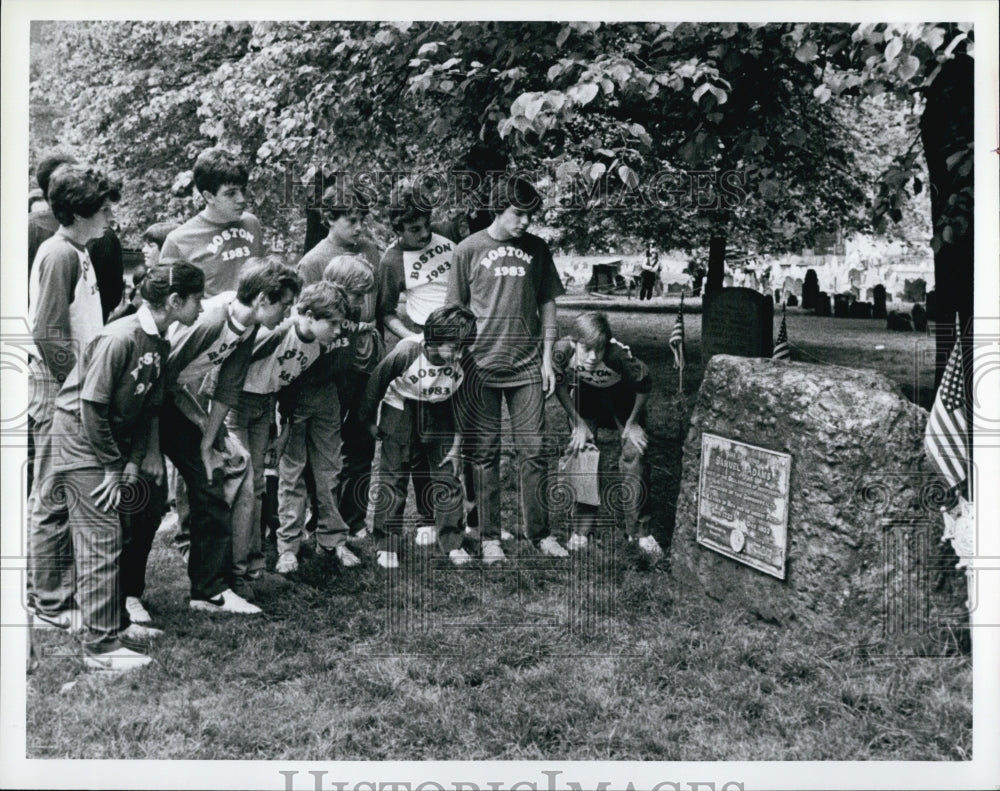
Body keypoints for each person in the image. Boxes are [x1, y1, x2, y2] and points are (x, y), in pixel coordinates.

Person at [50, 263, 205, 662]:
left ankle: (114, 623)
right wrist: (111, 467)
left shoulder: (160, 341)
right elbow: (90, 406)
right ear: (174, 302)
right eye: (197, 299)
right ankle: (101, 649)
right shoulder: (119, 338)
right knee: (101, 537)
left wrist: (134, 461)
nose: (202, 308)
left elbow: (147, 407)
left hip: (113, 447)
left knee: (117, 530)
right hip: (84, 441)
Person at [142, 258, 299, 614]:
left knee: (217, 475)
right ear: (262, 299)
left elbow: (228, 387)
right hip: (150, 403)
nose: (287, 314)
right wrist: (151, 447)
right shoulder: (212, 319)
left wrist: (208, 442)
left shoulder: (247, 326)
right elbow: (158, 377)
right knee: (146, 499)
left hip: (175, 398)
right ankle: (128, 594)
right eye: (284, 305)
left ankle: (212, 589)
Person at [447, 176, 569, 563]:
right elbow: (455, 311)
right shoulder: (467, 250)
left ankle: (541, 533)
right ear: (498, 209)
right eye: (518, 214)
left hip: (528, 364)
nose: (525, 223)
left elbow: (548, 301)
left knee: (533, 451)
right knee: (484, 454)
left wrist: (548, 355)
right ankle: (488, 537)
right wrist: (456, 362)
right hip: (480, 366)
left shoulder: (536, 248)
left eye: (530, 215)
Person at [27, 164, 121, 628]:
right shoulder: (59, 254)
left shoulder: (81, 249)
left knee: (61, 492)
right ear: (80, 212)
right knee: (52, 495)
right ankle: (49, 602)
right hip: (57, 386)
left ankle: (60, 595)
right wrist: (75, 389)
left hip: (76, 383)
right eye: (103, 208)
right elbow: (46, 332)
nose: (110, 216)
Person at [228, 280, 350, 580]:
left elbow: (286, 388)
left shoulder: (315, 348)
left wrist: (282, 430)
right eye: (332, 324)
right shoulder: (276, 332)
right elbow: (230, 364)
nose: (338, 331)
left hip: (270, 405)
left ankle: (255, 563)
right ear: (307, 315)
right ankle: (255, 557)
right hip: (238, 403)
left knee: (258, 484)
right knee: (246, 480)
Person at [358, 305, 478, 568]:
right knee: (394, 474)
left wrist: (457, 446)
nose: (458, 354)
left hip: (441, 407)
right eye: (453, 347)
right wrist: (368, 422)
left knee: (447, 475)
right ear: (434, 338)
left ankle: (452, 541)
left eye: (463, 348)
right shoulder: (407, 351)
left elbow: (463, 404)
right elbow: (375, 386)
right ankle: (387, 543)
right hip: (402, 405)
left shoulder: (464, 360)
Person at [296, 185, 382, 541]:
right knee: (326, 447)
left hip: (365, 360)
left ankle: (355, 518)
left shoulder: (372, 251)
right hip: (329, 365)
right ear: (329, 218)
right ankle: (322, 518)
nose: (359, 227)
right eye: (351, 219)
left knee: (362, 440)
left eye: (363, 219)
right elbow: (307, 317)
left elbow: (381, 304)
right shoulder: (314, 260)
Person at [275, 255, 369, 570]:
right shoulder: (305, 317)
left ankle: (333, 540)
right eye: (356, 293)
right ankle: (288, 545)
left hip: (328, 397)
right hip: (294, 397)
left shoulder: (351, 317)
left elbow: (346, 364)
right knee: (292, 473)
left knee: (330, 470)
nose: (359, 302)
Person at [377, 192, 460, 542]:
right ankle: (421, 519)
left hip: (456, 346)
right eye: (414, 229)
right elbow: (384, 312)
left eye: (427, 225)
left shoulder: (448, 239)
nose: (424, 234)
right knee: (413, 444)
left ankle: (455, 519)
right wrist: (411, 338)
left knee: (451, 438)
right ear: (397, 229)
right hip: (421, 351)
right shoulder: (392, 260)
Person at [551, 312, 662, 555]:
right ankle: (582, 531)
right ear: (574, 342)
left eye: (598, 350)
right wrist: (576, 422)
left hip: (621, 399)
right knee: (582, 453)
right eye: (586, 349)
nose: (592, 357)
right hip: (586, 398)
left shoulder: (617, 356)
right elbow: (558, 384)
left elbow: (644, 385)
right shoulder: (561, 351)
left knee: (635, 452)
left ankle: (640, 533)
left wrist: (632, 423)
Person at [158, 148, 265, 296]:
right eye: (231, 193)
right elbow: (168, 301)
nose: (241, 199)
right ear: (209, 197)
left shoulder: (251, 223)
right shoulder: (178, 242)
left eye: (243, 189)